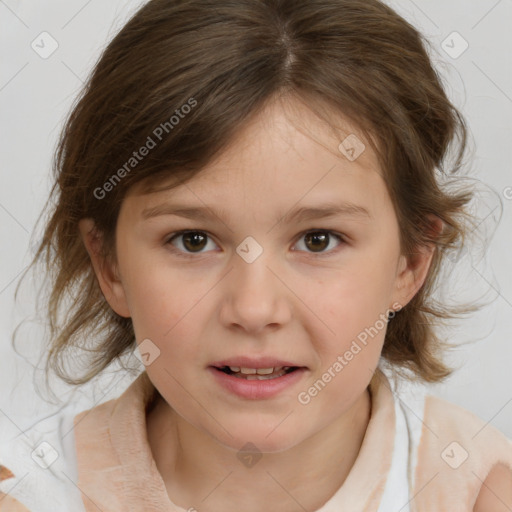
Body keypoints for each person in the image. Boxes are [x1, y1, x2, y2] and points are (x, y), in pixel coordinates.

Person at [1, 0, 511, 510]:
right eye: (193, 240)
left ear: (411, 263)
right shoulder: (27, 494)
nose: (254, 309)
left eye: (318, 240)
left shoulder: (480, 488)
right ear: (109, 266)